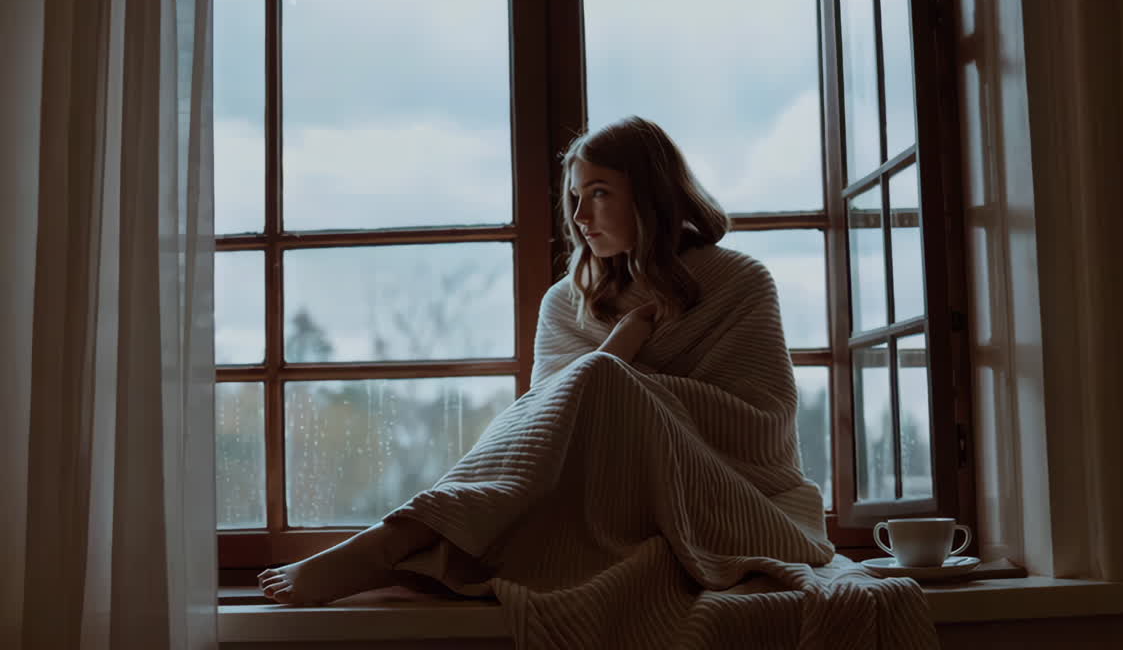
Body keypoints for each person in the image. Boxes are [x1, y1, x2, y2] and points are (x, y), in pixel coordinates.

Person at [257, 116, 799, 608]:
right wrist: (619, 356)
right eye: (575, 198)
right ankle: (402, 538)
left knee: (602, 374)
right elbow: (548, 432)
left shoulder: (740, 283)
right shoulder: (567, 300)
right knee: (597, 376)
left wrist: (622, 369)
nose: (581, 216)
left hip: (722, 494)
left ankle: (393, 541)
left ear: (652, 197)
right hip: (599, 500)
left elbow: (762, 424)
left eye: (600, 193)